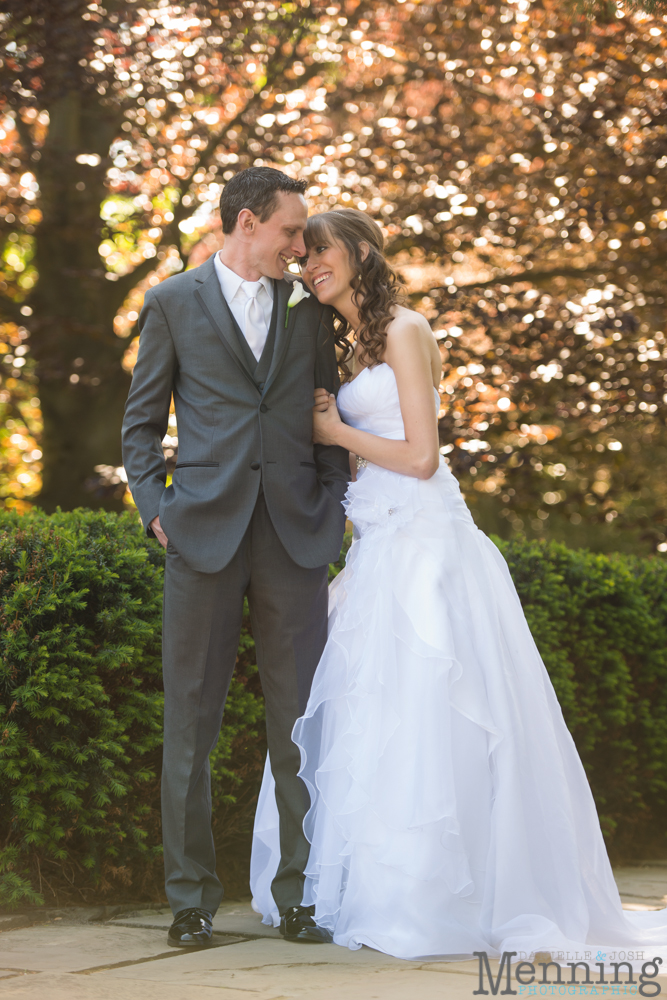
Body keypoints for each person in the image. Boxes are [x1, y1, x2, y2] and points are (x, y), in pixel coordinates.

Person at [250, 208, 667, 964]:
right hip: (375, 544)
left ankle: (447, 894)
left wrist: (335, 433)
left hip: (426, 542)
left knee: (431, 706)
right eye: (303, 255)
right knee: (371, 716)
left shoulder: (406, 328)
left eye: (322, 251)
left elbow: (417, 456)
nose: (310, 264)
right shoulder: (339, 346)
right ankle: (380, 887)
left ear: (360, 253)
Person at [122, 167, 350, 948]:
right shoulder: (172, 303)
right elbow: (141, 426)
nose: (301, 244)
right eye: (291, 230)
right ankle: (190, 900)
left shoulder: (309, 313)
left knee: (301, 726)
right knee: (191, 722)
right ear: (247, 222)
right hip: (202, 536)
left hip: (294, 538)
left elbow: (327, 414)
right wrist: (157, 511)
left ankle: (300, 896)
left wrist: (331, 506)